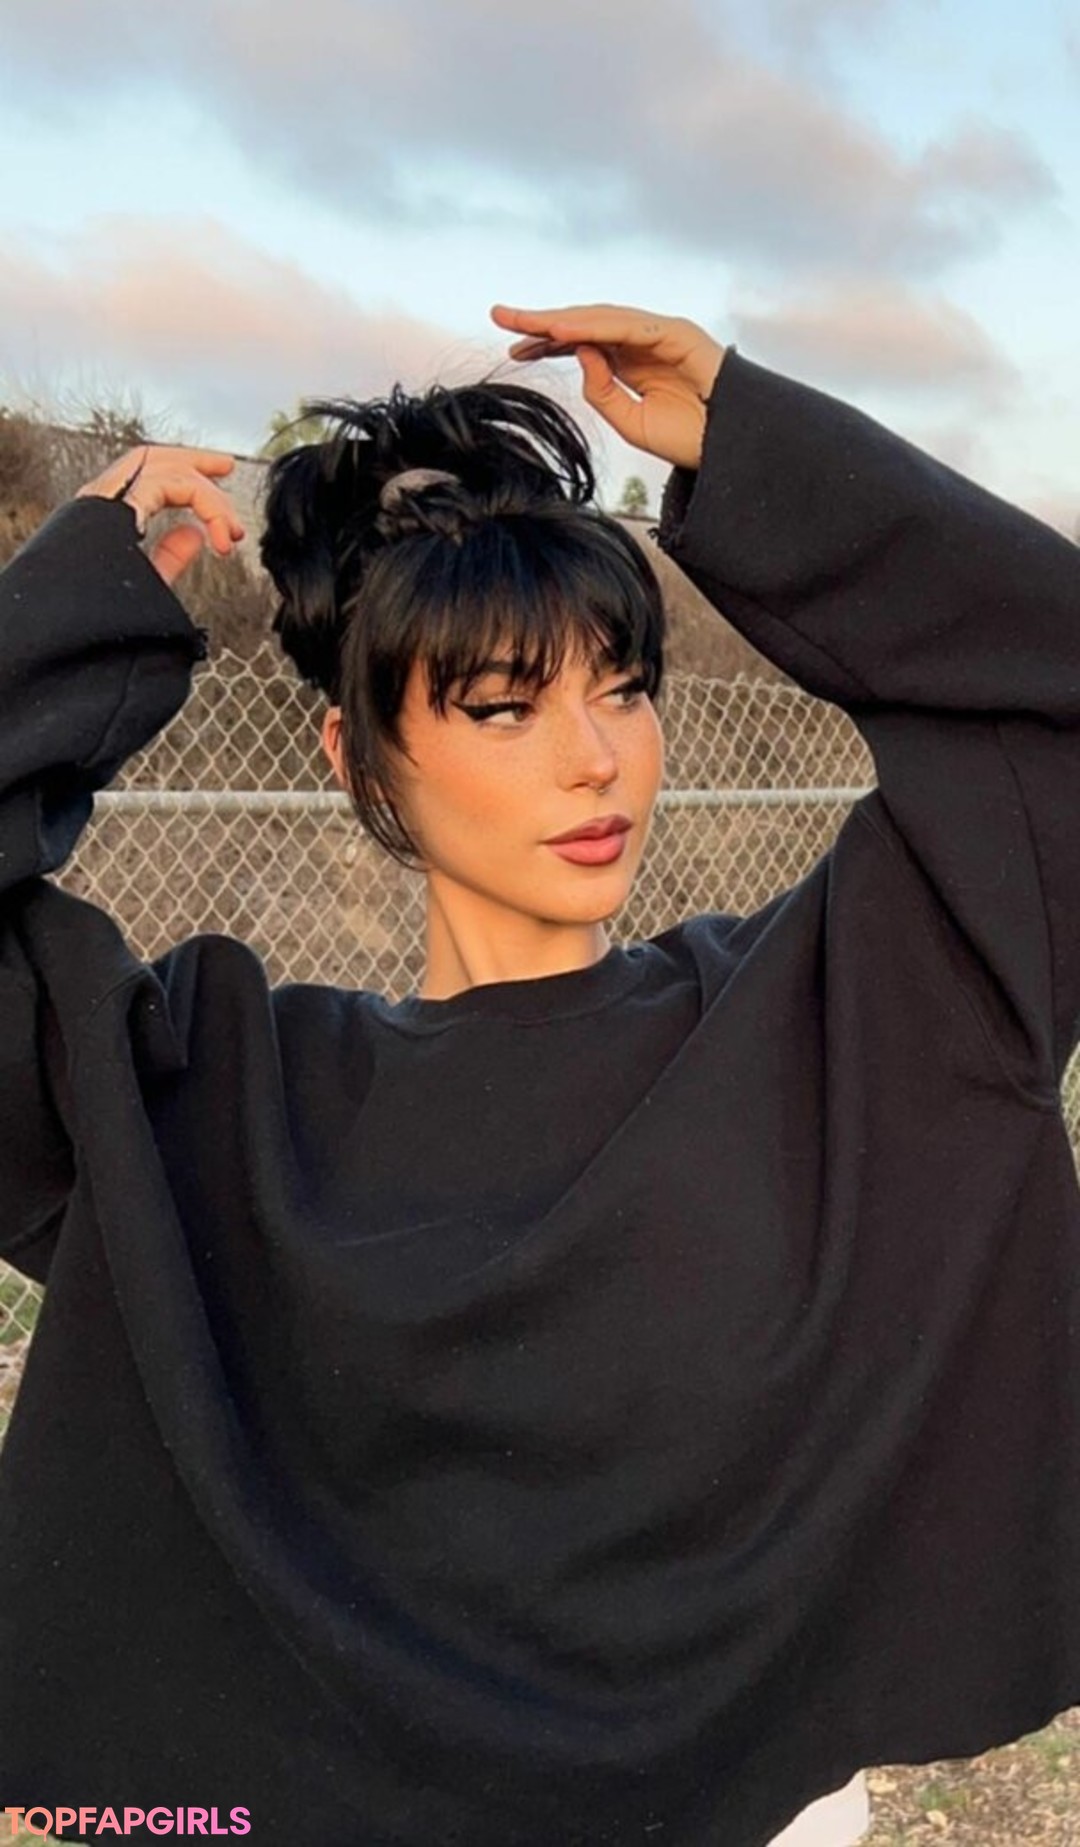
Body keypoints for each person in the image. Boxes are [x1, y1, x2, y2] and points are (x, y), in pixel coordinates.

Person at [0, 300, 1077, 1847]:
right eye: (504, 706)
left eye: (624, 687)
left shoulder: (833, 1014)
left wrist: (767, 462)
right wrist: (73, 607)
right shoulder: (214, 1100)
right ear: (355, 758)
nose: (597, 759)